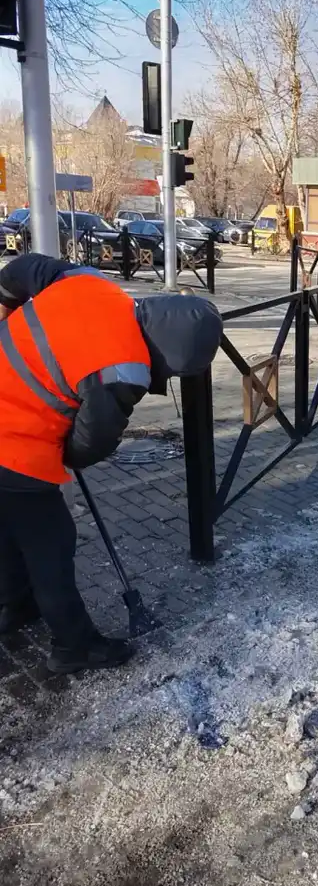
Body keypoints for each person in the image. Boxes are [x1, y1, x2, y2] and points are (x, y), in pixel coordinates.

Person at [0, 254, 222, 673]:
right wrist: (63, 453)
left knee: (10, 530)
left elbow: (22, 269)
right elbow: (91, 441)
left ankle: (15, 607)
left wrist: (8, 308)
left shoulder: (93, 283)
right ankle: (73, 647)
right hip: (13, 444)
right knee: (52, 547)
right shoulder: (124, 368)